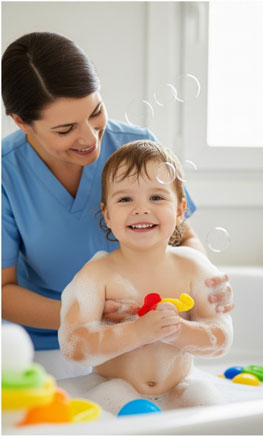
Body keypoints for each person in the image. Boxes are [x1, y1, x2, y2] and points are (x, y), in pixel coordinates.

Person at [1, 32, 232, 377]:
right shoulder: (7, 172)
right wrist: (88, 316)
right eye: (65, 129)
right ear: (21, 122)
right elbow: (4, 291)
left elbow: (181, 236)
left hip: (150, 337)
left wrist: (205, 283)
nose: (90, 138)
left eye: (95, 112)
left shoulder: (136, 147)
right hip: (50, 345)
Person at [58, 140, 232, 413]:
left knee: (208, 412)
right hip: (112, 390)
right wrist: (136, 332)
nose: (141, 209)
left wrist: (178, 332)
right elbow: (75, 345)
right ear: (107, 214)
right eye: (125, 199)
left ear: (179, 210)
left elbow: (221, 337)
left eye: (157, 197)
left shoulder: (193, 268)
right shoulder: (97, 275)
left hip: (182, 391)